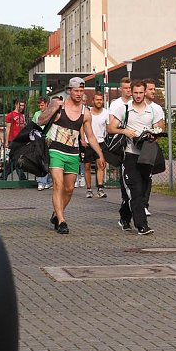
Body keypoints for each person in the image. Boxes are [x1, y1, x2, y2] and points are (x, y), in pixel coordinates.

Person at [38, 77, 105, 234]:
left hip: (72, 153)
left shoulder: (85, 112)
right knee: (58, 184)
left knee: (69, 189)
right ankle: (62, 221)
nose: (79, 94)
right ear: (69, 90)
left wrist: (100, 154)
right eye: (76, 91)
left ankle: (56, 213)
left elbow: (91, 136)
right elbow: (40, 120)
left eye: (81, 91)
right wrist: (51, 111)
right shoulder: (58, 105)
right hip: (55, 150)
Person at [107, 80, 164, 235]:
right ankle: (142, 225)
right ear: (131, 92)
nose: (138, 96)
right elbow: (111, 128)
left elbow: (160, 128)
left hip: (146, 154)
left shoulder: (152, 110)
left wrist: (153, 136)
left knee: (143, 190)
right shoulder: (123, 109)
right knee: (135, 190)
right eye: (135, 92)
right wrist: (125, 132)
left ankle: (125, 216)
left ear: (145, 92)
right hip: (130, 154)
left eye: (141, 92)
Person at [140, 78, 165, 216]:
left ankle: (144, 204)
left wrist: (155, 134)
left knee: (147, 176)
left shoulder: (157, 108)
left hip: (149, 146)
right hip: (135, 145)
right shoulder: (136, 106)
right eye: (150, 89)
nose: (153, 92)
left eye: (154, 89)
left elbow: (161, 127)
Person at [84, 91, 109, 198]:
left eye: (101, 100)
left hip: (100, 142)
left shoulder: (106, 113)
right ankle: (89, 189)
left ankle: (100, 188)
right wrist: (82, 139)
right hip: (88, 143)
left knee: (101, 165)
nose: (99, 102)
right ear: (93, 101)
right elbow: (82, 126)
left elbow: (108, 128)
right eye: (97, 100)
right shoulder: (87, 112)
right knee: (87, 166)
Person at [3, 99, 28, 181]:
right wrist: (6, 142)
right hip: (13, 140)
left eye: (23, 105)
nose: (22, 107)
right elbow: (8, 129)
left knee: (14, 161)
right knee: (17, 159)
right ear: (16, 105)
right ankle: (22, 178)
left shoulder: (22, 116)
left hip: (21, 141)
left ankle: (2, 177)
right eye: (20, 105)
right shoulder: (11, 115)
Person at [32, 97, 53, 190]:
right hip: (39, 140)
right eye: (39, 105)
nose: (40, 107)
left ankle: (47, 181)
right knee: (41, 161)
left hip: (50, 140)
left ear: (47, 104)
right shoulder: (37, 114)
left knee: (48, 162)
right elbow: (34, 126)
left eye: (42, 105)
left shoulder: (51, 114)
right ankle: (41, 181)